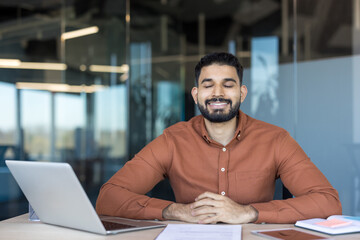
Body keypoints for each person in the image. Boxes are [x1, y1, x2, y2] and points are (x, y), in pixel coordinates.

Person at [96, 52, 342, 224]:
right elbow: (109, 198)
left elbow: (328, 202)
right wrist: (173, 211)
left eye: (228, 84)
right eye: (208, 85)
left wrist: (249, 212)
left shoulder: (275, 139)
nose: (217, 93)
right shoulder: (173, 140)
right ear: (196, 94)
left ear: (242, 92)